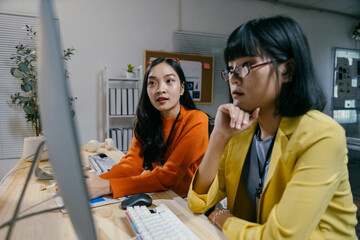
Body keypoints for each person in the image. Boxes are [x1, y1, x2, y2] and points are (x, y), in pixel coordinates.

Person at [187, 16, 358, 239]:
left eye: (247, 65)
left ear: (286, 71)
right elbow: (197, 201)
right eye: (230, 69)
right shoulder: (242, 132)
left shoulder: (321, 134)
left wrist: (220, 216)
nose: (234, 78)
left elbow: (279, 236)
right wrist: (219, 136)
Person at [85, 58, 209, 199]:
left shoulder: (197, 119)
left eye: (169, 81)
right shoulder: (145, 120)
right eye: (152, 83)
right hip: (158, 193)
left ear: (182, 88)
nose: (160, 89)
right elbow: (132, 164)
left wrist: (107, 186)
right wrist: (96, 181)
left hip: (188, 202)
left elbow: (170, 176)